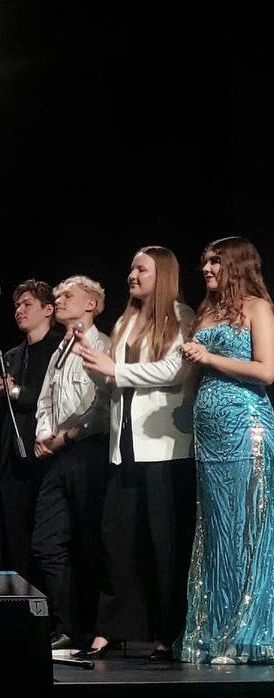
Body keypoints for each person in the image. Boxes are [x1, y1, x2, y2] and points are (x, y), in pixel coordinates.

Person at [73, 247, 195, 660]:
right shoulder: (124, 321)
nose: (132, 274)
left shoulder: (180, 317)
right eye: (131, 268)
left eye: (141, 269)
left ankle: (166, 631)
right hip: (123, 448)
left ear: (162, 275)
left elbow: (175, 371)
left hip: (163, 447)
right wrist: (93, 364)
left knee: (163, 543)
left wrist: (116, 370)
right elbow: (113, 383)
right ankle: (111, 628)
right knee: (117, 539)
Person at [178, 236, 274, 665]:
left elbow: (266, 371)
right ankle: (216, 631)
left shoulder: (257, 307)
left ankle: (248, 633)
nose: (207, 268)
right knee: (217, 531)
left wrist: (209, 358)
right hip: (210, 431)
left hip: (247, 424)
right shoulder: (207, 311)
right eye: (205, 261)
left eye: (215, 261)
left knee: (246, 526)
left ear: (237, 264)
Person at [31, 275, 111, 650]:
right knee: (46, 541)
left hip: (89, 450)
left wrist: (69, 436)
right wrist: (43, 435)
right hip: (59, 454)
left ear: (90, 304)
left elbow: (104, 405)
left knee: (90, 540)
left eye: (68, 295)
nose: (59, 299)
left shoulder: (103, 345)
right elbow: (45, 400)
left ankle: (97, 627)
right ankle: (65, 625)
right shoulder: (59, 350)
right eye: (58, 294)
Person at [0, 280, 62, 583]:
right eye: (17, 305)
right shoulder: (11, 356)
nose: (19, 310)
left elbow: (53, 396)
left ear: (48, 310)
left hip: (45, 454)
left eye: (27, 304)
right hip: (13, 458)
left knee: (44, 538)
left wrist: (15, 391)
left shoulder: (59, 348)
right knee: (16, 538)